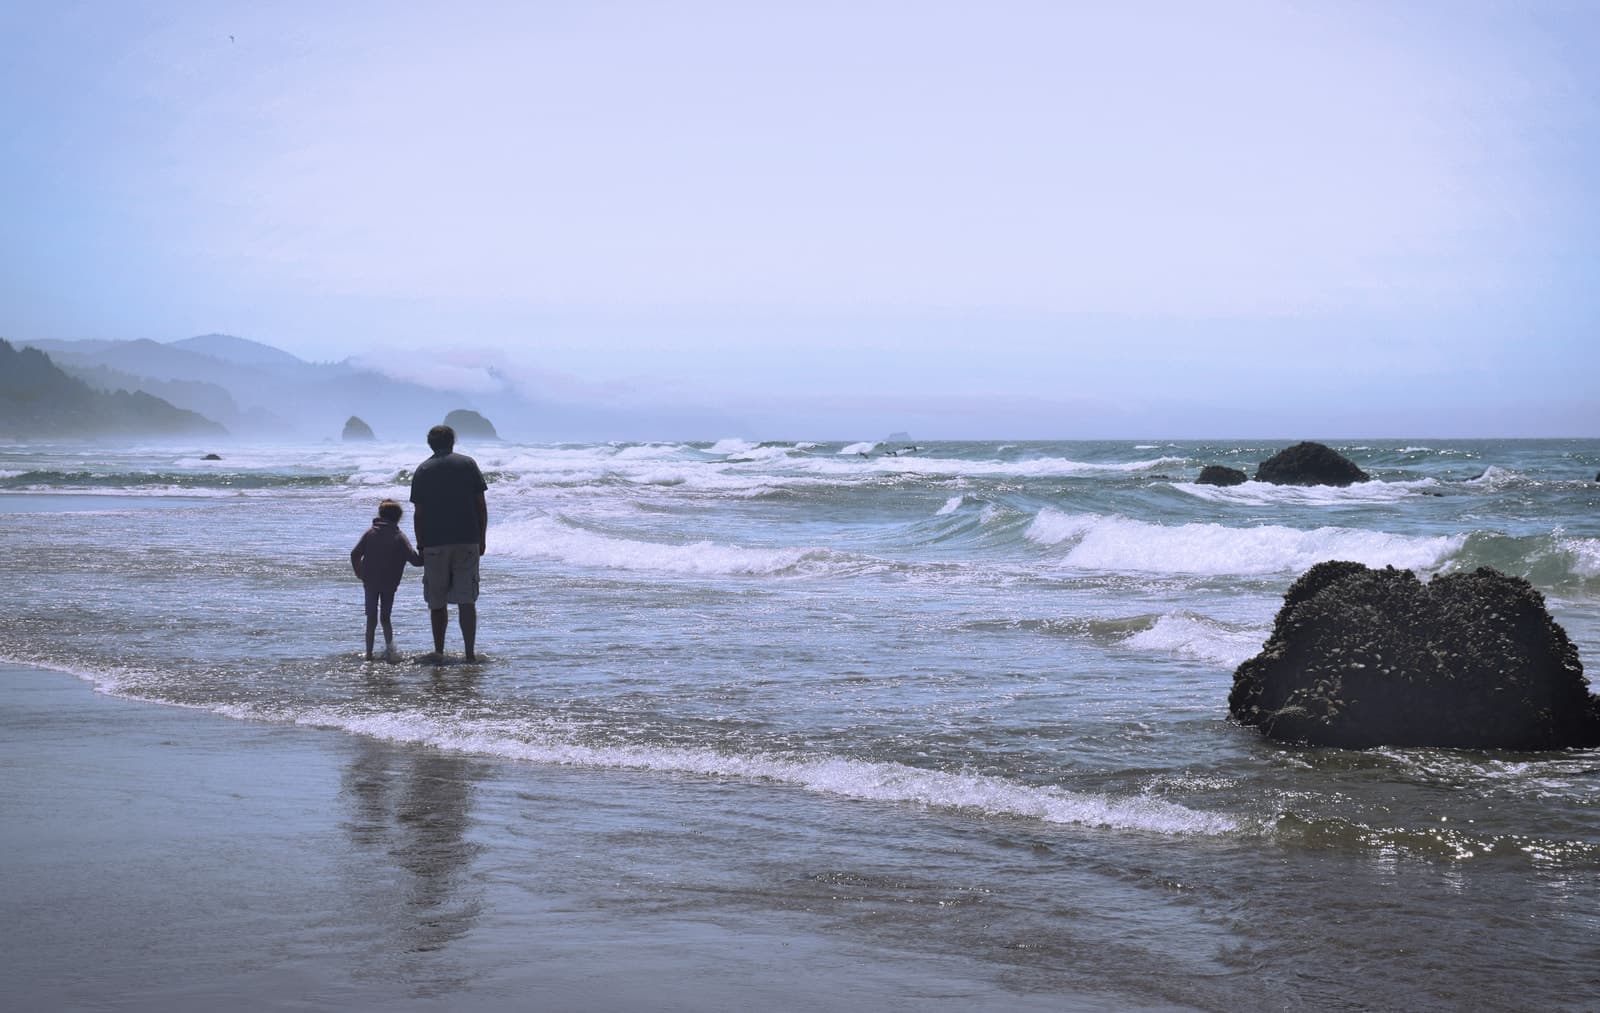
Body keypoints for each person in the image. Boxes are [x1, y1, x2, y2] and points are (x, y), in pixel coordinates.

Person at [409, 424, 489, 660]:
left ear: (430, 444)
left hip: (434, 542)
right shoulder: (468, 464)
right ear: (452, 442)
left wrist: (420, 545)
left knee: (437, 602)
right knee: (467, 600)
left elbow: (419, 514)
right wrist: (482, 537)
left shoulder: (423, 469)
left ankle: (439, 651)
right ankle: (469, 653)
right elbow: (480, 505)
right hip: (467, 539)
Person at [350, 499, 424, 660]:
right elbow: (416, 561)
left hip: (370, 581)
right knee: (385, 617)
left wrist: (359, 573)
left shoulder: (370, 533)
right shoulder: (399, 537)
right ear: (398, 518)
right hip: (389, 583)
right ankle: (390, 652)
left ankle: (369, 654)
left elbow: (354, 554)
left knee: (371, 618)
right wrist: (425, 549)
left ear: (380, 514)